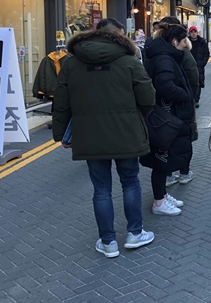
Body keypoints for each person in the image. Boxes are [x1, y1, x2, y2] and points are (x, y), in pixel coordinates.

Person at [52, 18, 156, 258]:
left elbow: (61, 103)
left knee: (101, 189)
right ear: (119, 36)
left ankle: (108, 241)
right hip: (126, 133)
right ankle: (134, 233)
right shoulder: (130, 61)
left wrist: (61, 134)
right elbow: (148, 98)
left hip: (89, 135)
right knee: (130, 182)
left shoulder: (71, 64)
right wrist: (135, 116)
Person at [141, 23, 194, 215]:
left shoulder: (165, 56)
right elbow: (165, 85)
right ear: (174, 41)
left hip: (166, 115)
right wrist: (185, 95)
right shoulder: (164, 58)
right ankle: (159, 201)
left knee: (164, 159)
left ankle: (162, 194)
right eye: (182, 43)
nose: (184, 46)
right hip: (165, 117)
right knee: (161, 160)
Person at [160, 16, 198, 186]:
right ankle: (182, 171)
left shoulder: (154, 50)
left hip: (161, 107)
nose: (185, 43)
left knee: (166, 139)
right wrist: (189, 96)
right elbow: (193, 77)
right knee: (183, 138)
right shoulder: (181, 53)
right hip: (180, 104)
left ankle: (167, 173)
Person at [188, 26, 209, 108]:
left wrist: (202, 63)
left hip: (199, 66)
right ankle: (192, 98)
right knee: (190, 82)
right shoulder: (186, 42)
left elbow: (206, 53)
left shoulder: (202, 42)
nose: (193, 34)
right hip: (189, 66)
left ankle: (196, 100)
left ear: (197, 32)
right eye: (191, 32)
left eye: (194, 32)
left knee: (199, 83)